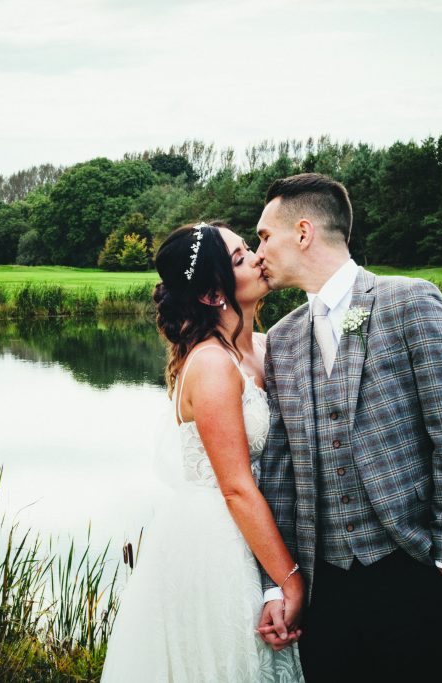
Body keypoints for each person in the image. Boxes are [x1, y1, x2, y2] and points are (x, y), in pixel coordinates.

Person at [254, 173, 442, 682]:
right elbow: (279, 475)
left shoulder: (411, 303)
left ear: (304, 231)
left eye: (265, 235)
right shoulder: (284, 339)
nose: (258, 249)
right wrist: (279, 584)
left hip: (413, 570)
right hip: (323, 589)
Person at [101, 222, 304, 682]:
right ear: (213, 295)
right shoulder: (212, 364)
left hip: (254, 532)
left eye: (250, 248)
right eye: (239, 259)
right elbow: (234, 486)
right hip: (215, 544)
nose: (257, 258)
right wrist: (290, 581)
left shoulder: (266, 348)